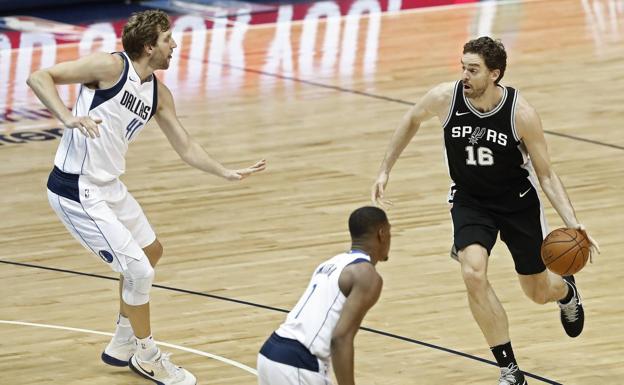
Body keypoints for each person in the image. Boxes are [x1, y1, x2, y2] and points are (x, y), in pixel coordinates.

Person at [27, 10, 266, 385]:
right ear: (149, 46)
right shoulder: (108, 68)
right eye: (168, 40)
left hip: (109, 187)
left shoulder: (158, 92)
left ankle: (122, 343)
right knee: (139, 270)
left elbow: (184, 144)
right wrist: (66, 117)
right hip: (76, 188)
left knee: (150, 251)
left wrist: (225, 171)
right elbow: (39, 76)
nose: (175, 45)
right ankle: (147, 355)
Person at [371, 36, 600, 385]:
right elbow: (411, 119)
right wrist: (385, 170)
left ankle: (566, 292)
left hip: (517, 203)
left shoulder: (521, 113)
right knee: (473, 274)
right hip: (470, 200)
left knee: (537, 292)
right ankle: (509, 369)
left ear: (494, 74)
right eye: (463, 66)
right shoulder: (446, 98)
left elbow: (547, 175)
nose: (464, 75)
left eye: (473, 70)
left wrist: (574, 223)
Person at [257, 206, 390, 385]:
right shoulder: (367, 275)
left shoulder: (331, 263)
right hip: (299, 362)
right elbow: (340, 338)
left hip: (270, 353)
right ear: (382, 233)